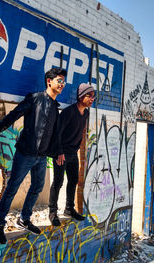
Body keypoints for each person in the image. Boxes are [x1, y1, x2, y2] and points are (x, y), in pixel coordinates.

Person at [0, 68, 67, 244]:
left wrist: (58, 151)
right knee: (12, 188)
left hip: (41, 157)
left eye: (64, 81)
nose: (62, 84)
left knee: (37, 187)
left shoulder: (55, 107)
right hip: (25, 153)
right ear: (49, 81)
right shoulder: (35, 99)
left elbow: (55, 134)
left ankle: (24, 218)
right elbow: (15, 113)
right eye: (59, 80)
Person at [48, 83, 95, 226]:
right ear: (81, 97)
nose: (92, 99)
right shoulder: (68, 112)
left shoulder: (85, 113)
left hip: (73, 153)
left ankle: (69, 209)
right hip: (61, 152)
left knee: (74, 180)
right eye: (89, 96)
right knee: (58, 181)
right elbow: (57, 133)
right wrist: (59, 152)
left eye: (93, 96)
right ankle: (52, 212)